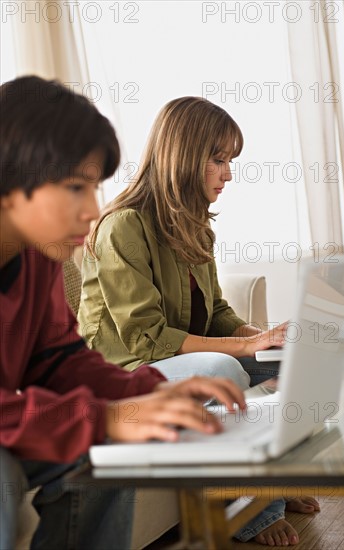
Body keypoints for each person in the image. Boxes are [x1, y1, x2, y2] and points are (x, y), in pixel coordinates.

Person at [0, 77, 247, 550]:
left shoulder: (39, 257)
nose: (93, 211)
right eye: (76, 187)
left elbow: (60, 359)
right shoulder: (115, 229)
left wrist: (155, 392)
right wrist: (106, 417)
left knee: (116, 445)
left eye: (94, 188)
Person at [78, 96, 319, 546]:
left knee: (295, 363)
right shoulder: (123, 226)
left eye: (229, 160)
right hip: (124, 369)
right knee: (222, 369)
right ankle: (252, 511)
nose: (228, 173)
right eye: (218, 159)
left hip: (170, 360)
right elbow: (146, 338)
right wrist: (245, 349)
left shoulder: (195, 225)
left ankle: (283, 478)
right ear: (183, 157)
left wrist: (266, 339)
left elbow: (218, 313)